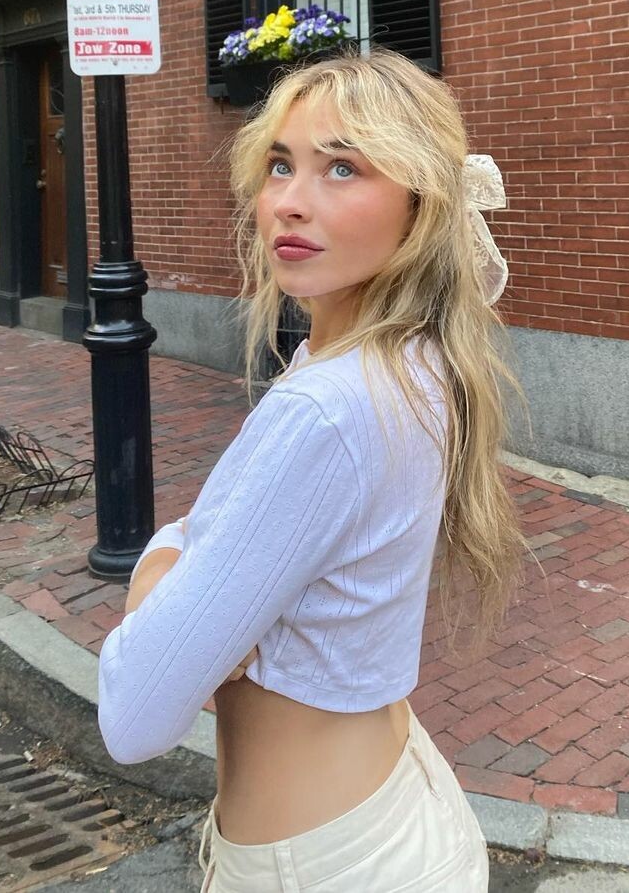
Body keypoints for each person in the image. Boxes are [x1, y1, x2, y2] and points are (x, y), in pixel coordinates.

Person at [97, 45, 533, 891]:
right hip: (393, 808)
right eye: (280, 164)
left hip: (322, 865)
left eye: (342, 167)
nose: (290, 202)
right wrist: (196, 571)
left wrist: (153, 574)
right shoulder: (409, 358)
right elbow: (226, 540)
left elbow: (135, 713)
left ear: (420, 205)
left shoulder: (328, 408)